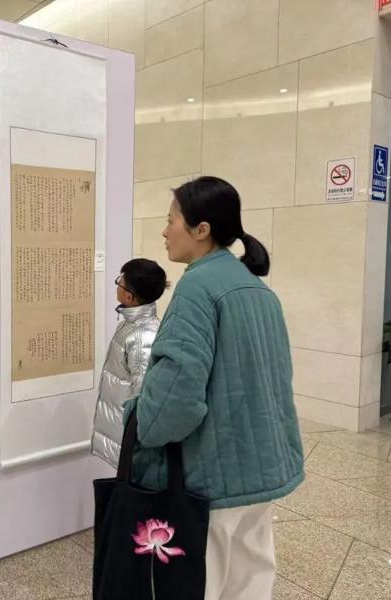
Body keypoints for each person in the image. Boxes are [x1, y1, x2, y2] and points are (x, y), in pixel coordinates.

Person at [122, 176, 304, 600]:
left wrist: (141, 423)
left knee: (201, 585)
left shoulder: (197, 288)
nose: (164, 231)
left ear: (201, 230)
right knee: (249, 584)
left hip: (211, 479)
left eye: (171, 220)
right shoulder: (258, 289)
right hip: (260, 469)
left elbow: (176, 397)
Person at [91, 258, 167, 468]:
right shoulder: (131, 325)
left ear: (129, 296)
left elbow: (142, 396)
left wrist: (135, 448)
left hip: (131, 443)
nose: (118, 284)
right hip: (121, 436)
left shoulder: (143, 337)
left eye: (120, 281)